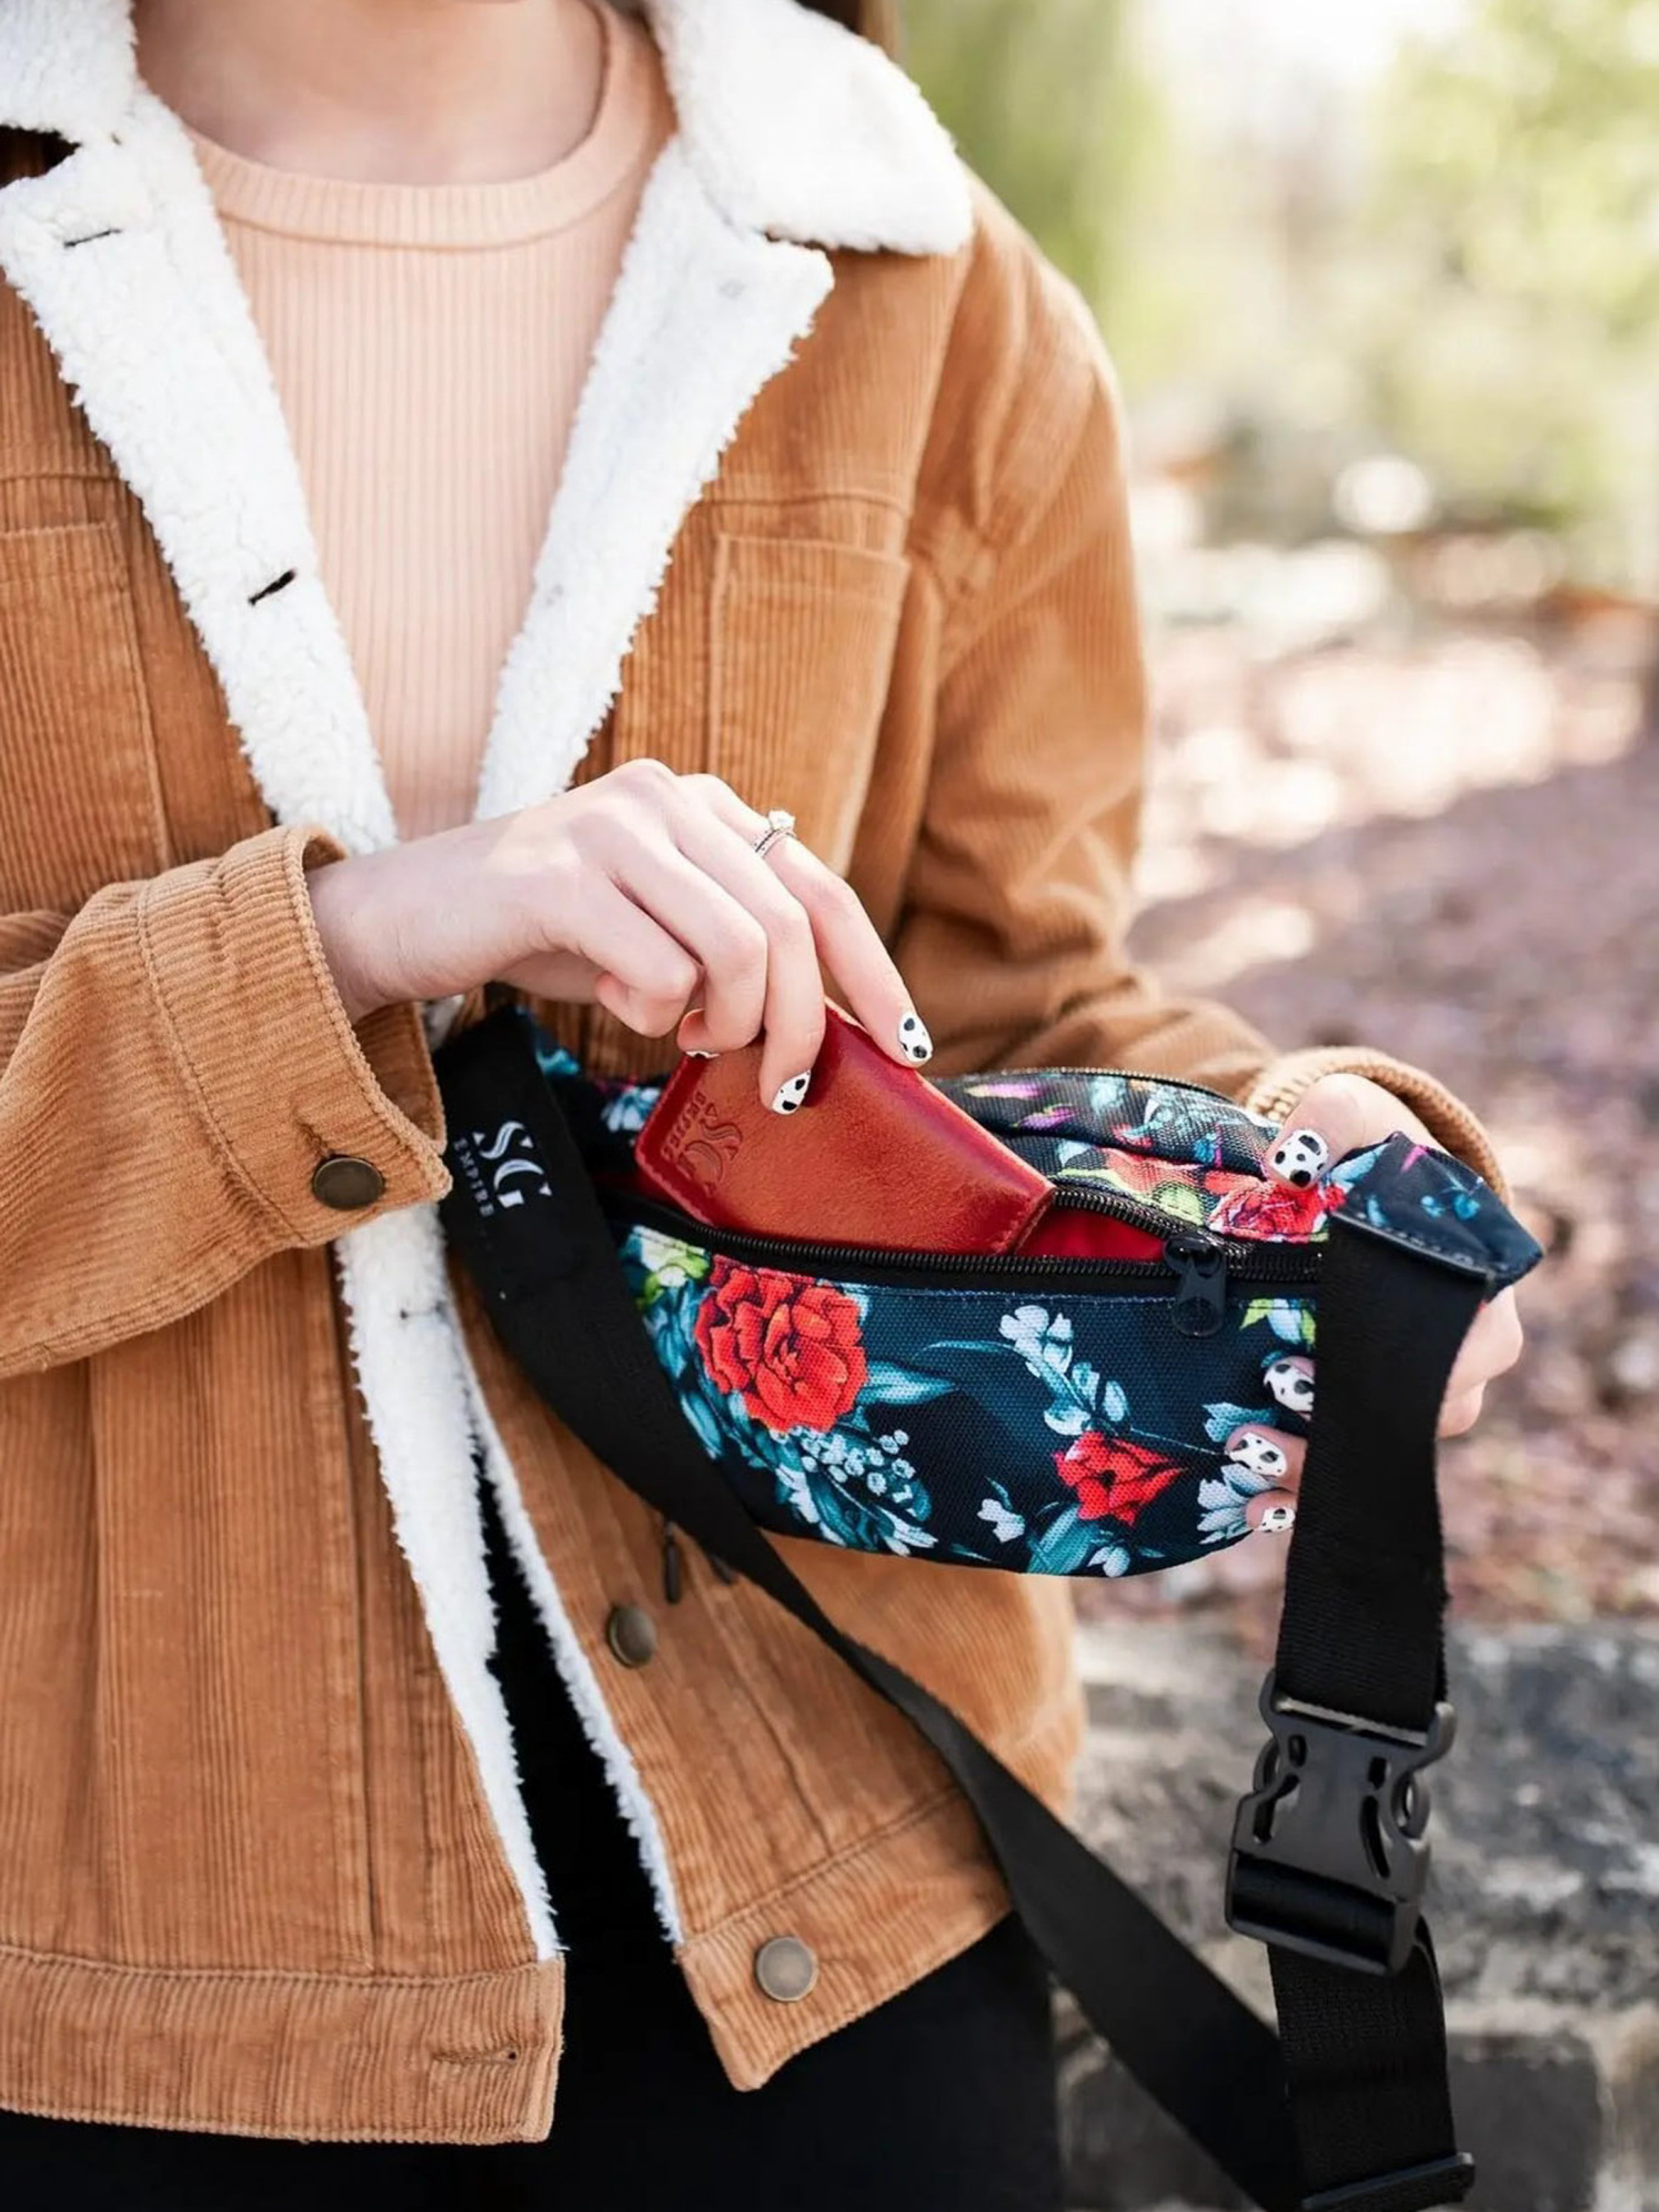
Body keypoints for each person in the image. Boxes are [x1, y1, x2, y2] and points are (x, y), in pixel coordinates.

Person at [0, 1, 1522, 2205]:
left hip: (836, 1864)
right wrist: (354, 939)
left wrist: (1298, 1156)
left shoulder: (914, 271)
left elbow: (999, 996)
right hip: (107, 1925)